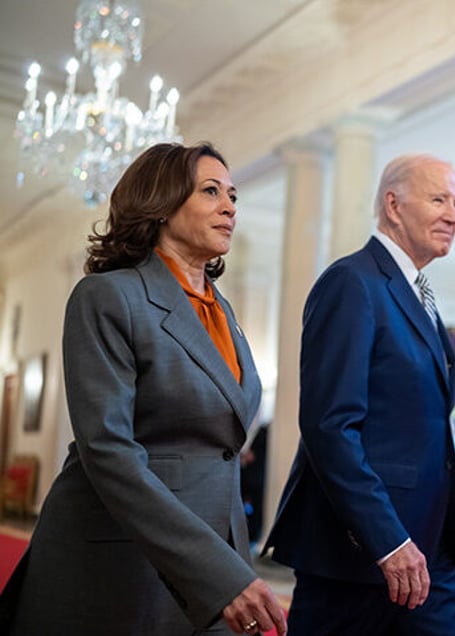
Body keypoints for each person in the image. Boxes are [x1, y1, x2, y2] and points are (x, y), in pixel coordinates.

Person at [2, 143, 287, 635]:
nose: (230, 207)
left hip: (217, 545)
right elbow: (108, 450)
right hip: (125, 555)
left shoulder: (224, 312)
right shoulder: (109, 295)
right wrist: (217, 573)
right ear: (162, 203)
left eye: (233, 196)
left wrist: (228, 563)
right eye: (211, 191)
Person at [264, 154, 455, 635]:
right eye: (439, 198)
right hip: (361, 556)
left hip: (430, 549)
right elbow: (329, 426)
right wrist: (387, 540)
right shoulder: (352, 281)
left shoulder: (419, 294)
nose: (454, 214)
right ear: (393, 205)